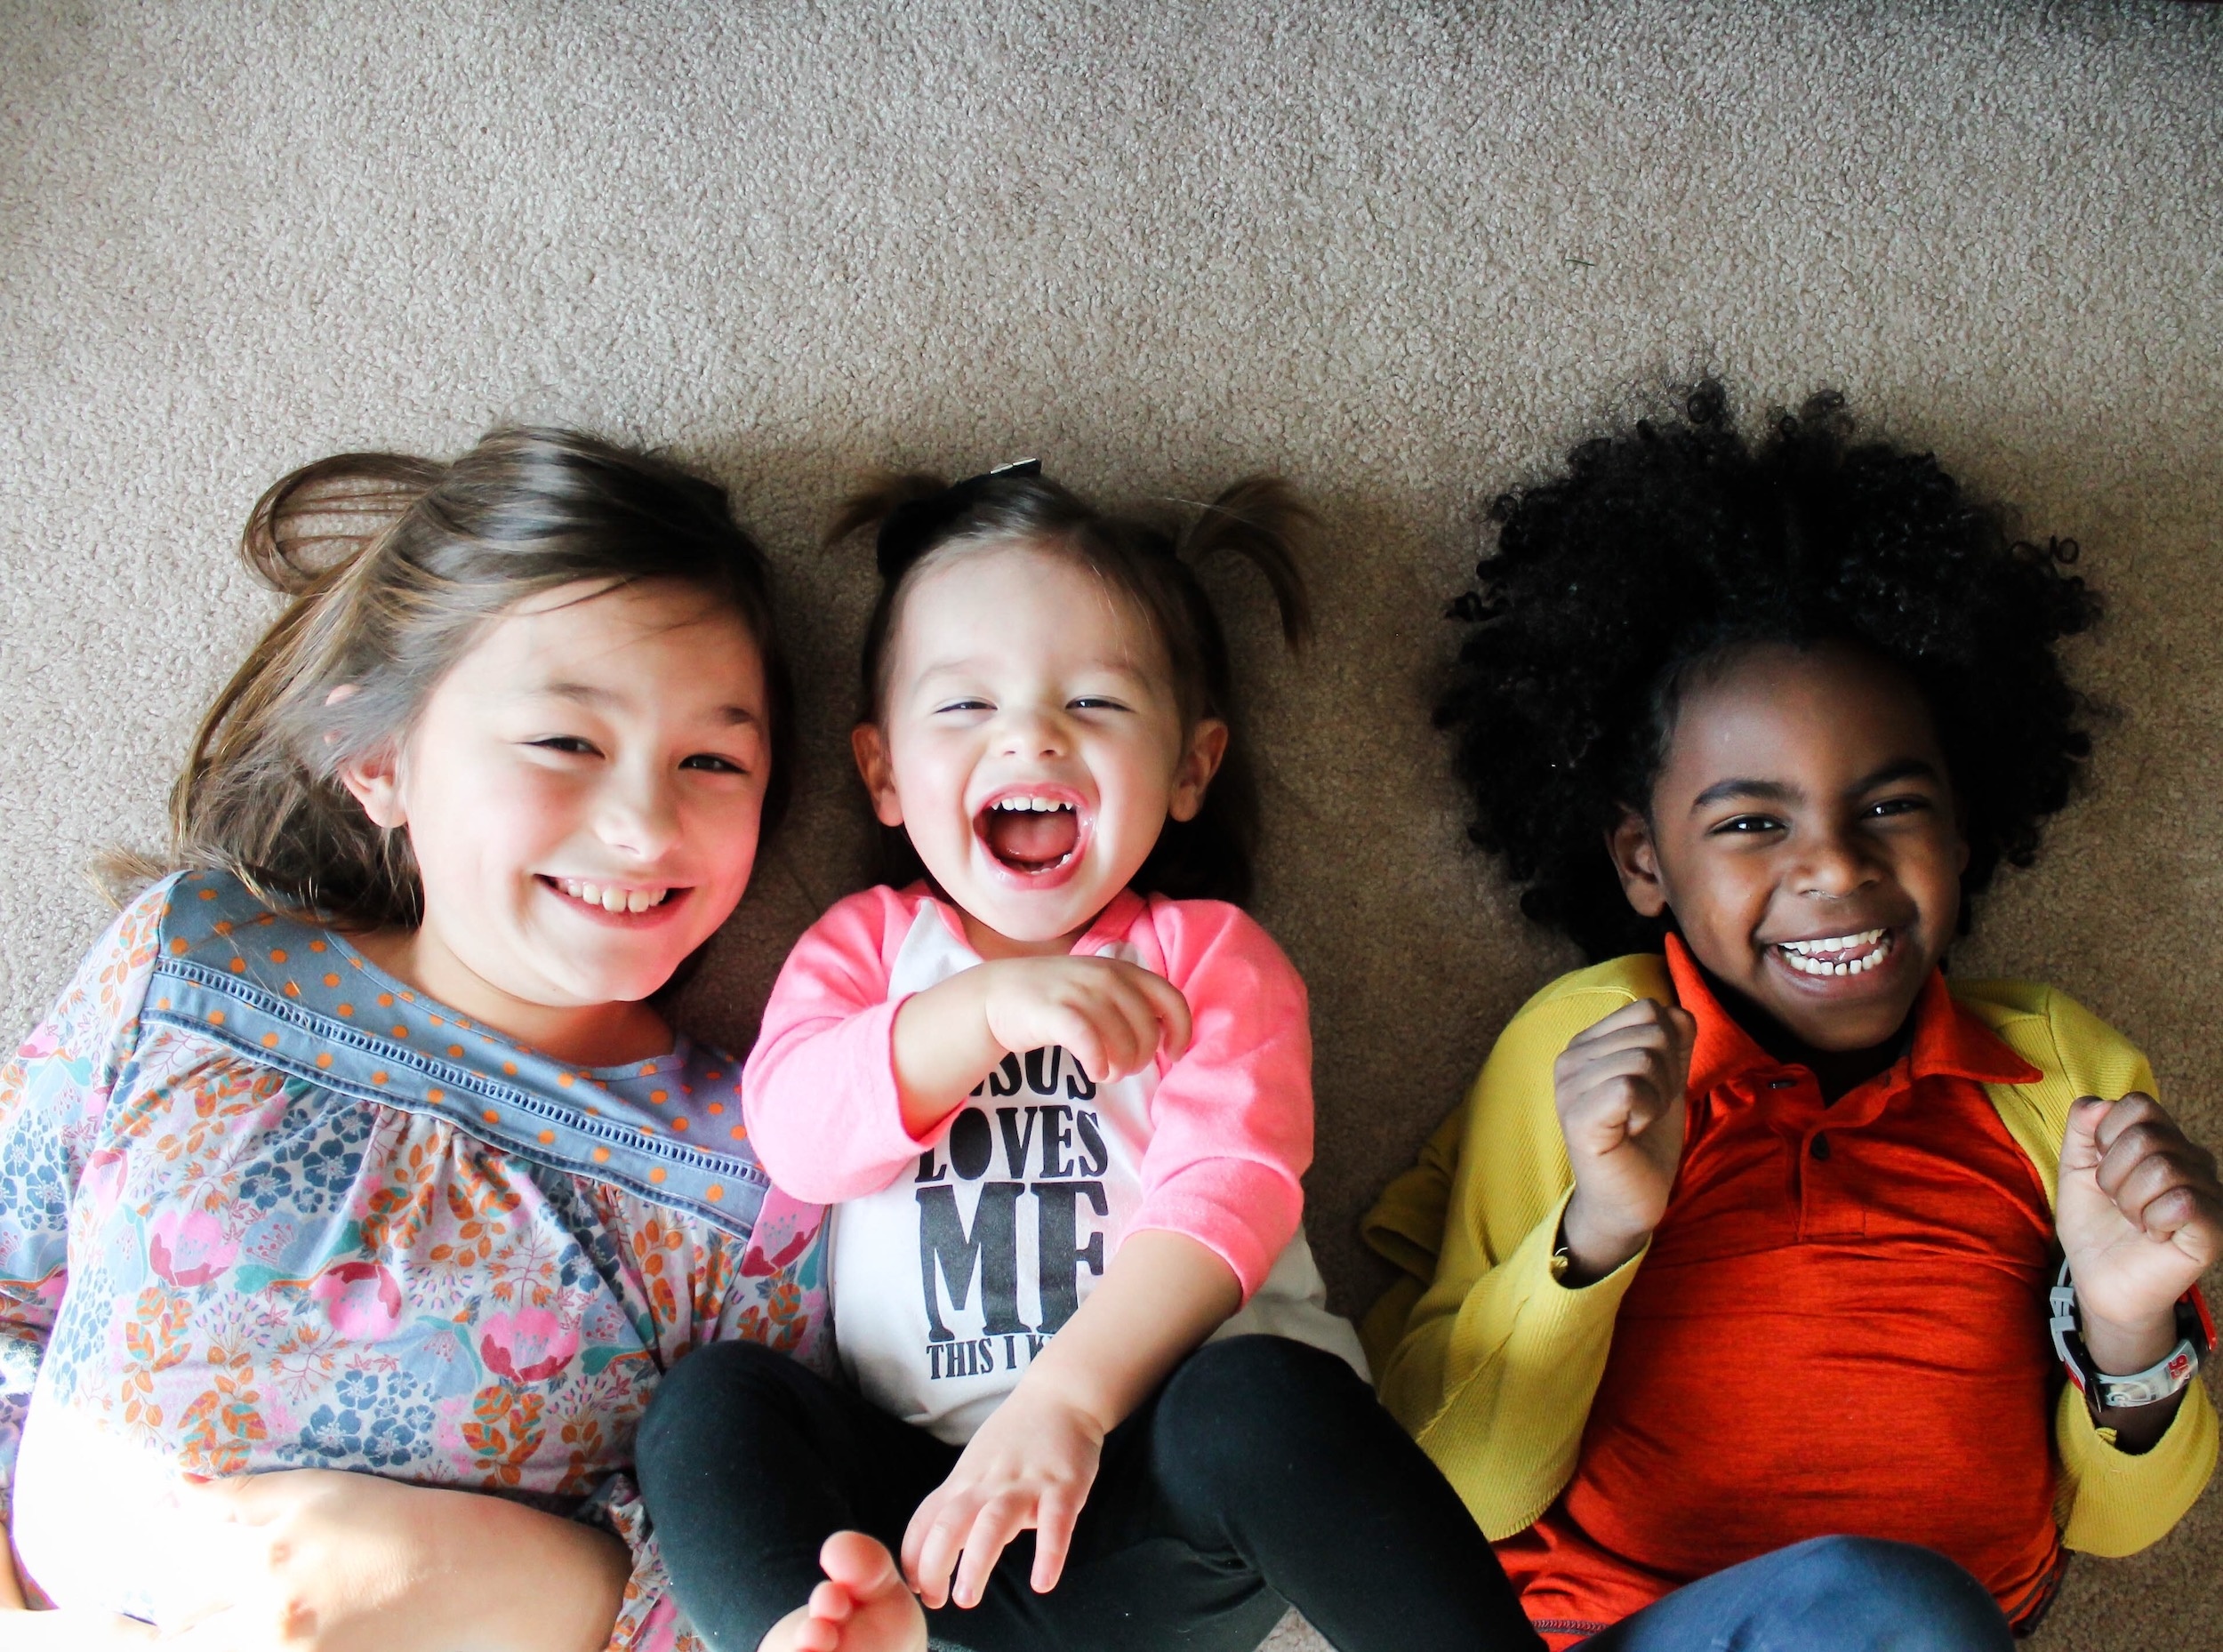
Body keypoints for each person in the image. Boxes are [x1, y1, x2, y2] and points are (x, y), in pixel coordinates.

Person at [1361, 386, 2223, 1650]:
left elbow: (2118, 1523)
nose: (1834, 867)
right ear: (1642, 862)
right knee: (1897, 1600)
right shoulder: (1596, 1047)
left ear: (1966, 830)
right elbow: (1461, 1488)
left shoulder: (2056, 1066)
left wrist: (2130, 1318)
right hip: (1627, 1626)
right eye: (1753, 823)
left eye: (1889, 807)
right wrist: (1599, 1225)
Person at [635, 462, 1545, 1652]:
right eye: (965, 707)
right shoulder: (866, 949)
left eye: (1098, 705)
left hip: (1156, 1497)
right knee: (711, 1406)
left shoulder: (1205, 957)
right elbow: (800, 1136)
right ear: (885, 774)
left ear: (1189, 769)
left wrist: (1067, 1403)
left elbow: (1232, 1195)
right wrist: (985, 1010)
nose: (1033, 735)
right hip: (924, 1523)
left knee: (1267, 1393)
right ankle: (816, 1637)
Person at [0, 429, 827, 1651]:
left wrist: (520, 1577)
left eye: (713, 758)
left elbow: (752, 1595)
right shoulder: (186, 965)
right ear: (381, 757)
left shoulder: (757, 1174)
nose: (646, 822)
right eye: (566, 740)